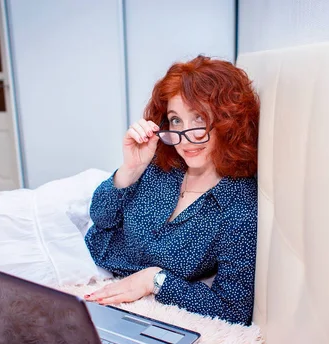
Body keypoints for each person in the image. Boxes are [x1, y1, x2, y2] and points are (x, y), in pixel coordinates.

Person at [84, 55, 259, 325]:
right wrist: (130, 169)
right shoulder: (163, 161)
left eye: (198, 118)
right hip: (85, 251)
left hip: (105, 279)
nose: (185, 137)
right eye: (175, 120)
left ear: (229, 121)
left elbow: (233, 309)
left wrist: (154, 280)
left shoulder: (239, 207)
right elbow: (101, 217)